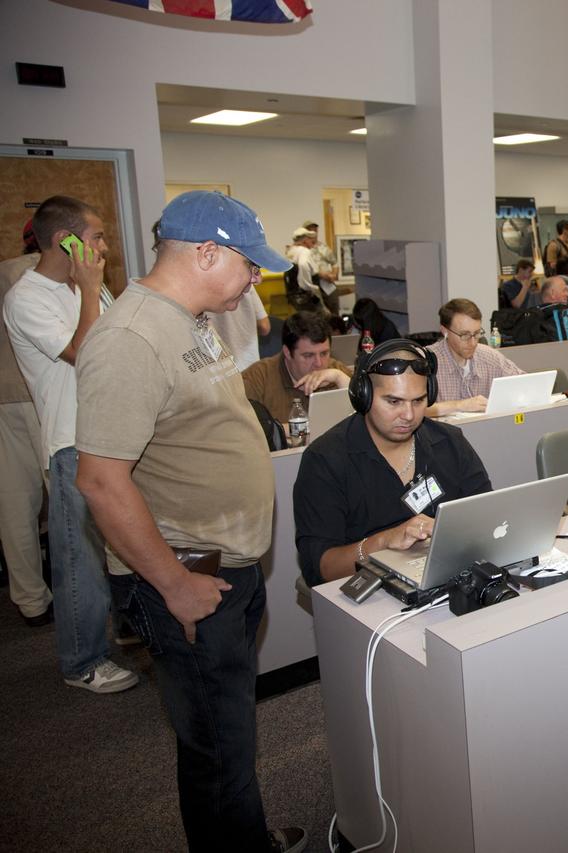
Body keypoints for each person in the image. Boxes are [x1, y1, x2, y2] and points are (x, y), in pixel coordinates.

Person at [74, 190, 307, 851]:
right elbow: (98, 480)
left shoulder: (190, 319)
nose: (256, 280)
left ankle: (244, 836)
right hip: (187, 574)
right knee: (216, 743)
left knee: (229, 730)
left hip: (226, 565)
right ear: (206, 252)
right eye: (249, 264)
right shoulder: (130, 336)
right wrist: (174, 584)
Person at [3, 195, 137, 694]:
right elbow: (85, 353)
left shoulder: (91, 290)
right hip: (71, 443)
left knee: (124, 545)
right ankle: (82, 662)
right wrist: (89, 287)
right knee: (79, 560)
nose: (104, 245)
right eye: (97, 236)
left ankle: (127, 627)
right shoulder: (27, 297)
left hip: (113, 433)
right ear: (67, 240)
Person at [293, 340, 492, 587]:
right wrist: (384, 541)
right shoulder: (326, 459)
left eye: (418, 401)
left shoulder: (449, 442)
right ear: (363, 396)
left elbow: (486, 518)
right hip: (366, 593)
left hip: (448, 579)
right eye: (393, 402)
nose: (408, 415)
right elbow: (320, 568)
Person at [0, 228, 54, 627]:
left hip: (2, 400)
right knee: (72, 504)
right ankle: (92, 591)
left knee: (15, 504)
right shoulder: (56, 276)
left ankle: (31, 601)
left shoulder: (3, 272)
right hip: (45, 395)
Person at [241, 310, 352, 426]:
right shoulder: (258, 378)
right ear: (287, 353)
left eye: (324, 353)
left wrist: (339, 378)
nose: (319, 363)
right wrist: (288, 430)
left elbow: (365, 414)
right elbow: (242, 428)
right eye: (308, 356)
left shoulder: (335, 370)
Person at [425, 297, 523, 416]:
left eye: (477, 334)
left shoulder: (489, 356)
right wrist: (459, 406)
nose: (473, 343)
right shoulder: (426, 361)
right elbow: (412, 410)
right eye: (464, 335)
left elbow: (525, 384)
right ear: (445, 331)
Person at [209, 283, 270, 372]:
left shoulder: (195, 289)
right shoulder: (246, 281)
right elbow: (265, 327)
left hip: (218, 369)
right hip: (249, 364)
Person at [287, 227, 338, 316]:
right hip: (307, 295)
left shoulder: (291, 251)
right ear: (305, 240)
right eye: (310, 237)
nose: (312, 240)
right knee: (324, 316)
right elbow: (304, 265)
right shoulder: (304, 252)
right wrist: (309, 287)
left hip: (295, 295)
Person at [301, 219, 338, 284]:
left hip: (327, 284)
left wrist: (334, 275)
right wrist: (321, 275)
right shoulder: (301, 250)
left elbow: (335, 263)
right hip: (311, 284)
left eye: (315, 230)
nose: (313, 233)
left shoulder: (324, 247)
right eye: (310, 231)